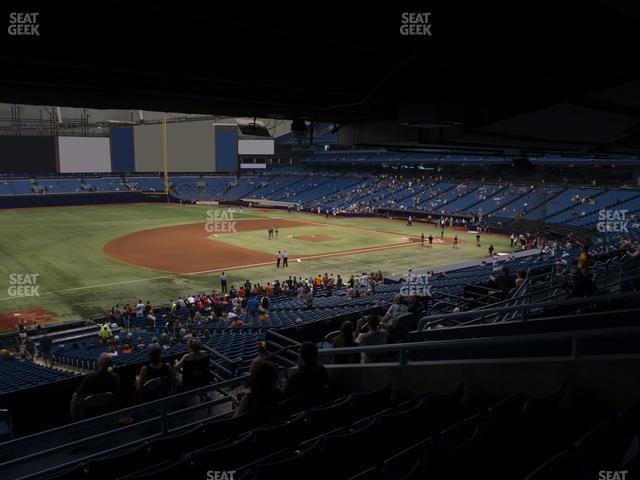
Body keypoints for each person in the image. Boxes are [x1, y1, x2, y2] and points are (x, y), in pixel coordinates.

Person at [70, 353, 121, 421]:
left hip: (90, 409)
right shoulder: (115, 376)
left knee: (74, 398)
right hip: (107, 405)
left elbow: (76, 394)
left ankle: (76, 423)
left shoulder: (90, 377)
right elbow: (118, 392)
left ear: (99, 363)